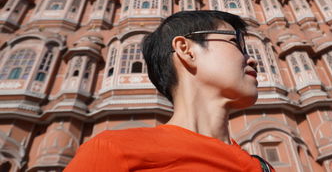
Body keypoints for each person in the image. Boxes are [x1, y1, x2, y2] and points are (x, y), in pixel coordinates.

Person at [64, 10, 275, 172]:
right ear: (186, 50)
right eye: (236, 42)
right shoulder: (114, 152)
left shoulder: (261, 168)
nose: (253, 59)